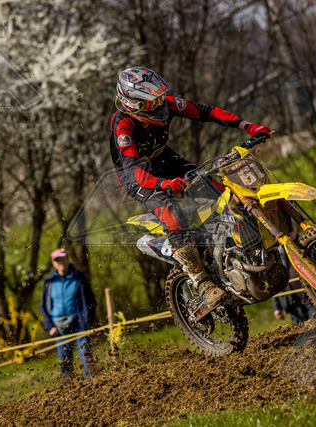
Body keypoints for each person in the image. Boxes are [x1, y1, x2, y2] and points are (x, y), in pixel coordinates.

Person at [110, 66, 272, 307]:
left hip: (163, 159)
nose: (158, 106)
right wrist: (164, 183)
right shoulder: (123, 126)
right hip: (138, 177)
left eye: (159, 99)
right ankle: (202, 282)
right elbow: (135, 172)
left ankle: (237, 249)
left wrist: (247, 126)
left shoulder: (166, 104)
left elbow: (206, 112)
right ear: (132, 104)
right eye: (150, 103)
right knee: (172, 216)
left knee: (219, 189)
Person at [40, 248, 97, 382]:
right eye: (58, 260)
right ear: (54, 263)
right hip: (59, 327)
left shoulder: (79, 277)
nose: (61, 262)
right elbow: (44, 306)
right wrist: (49, 327)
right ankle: (70, 387)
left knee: (86, 354)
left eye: (63, 259)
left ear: (67, 260)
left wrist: (89, 319)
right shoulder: (49, 282)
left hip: (79, 323)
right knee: (64, 359)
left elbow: (90, 300)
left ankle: (93, 383)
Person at [273, 229, 316, 323]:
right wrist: (276, 307)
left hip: (313, 297)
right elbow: (276, 280)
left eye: (290, 229)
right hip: (293, 302)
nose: (288, 233)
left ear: (295, 229)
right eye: (285, 230)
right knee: (301, 328)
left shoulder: (308, 244)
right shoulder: (279, 252)